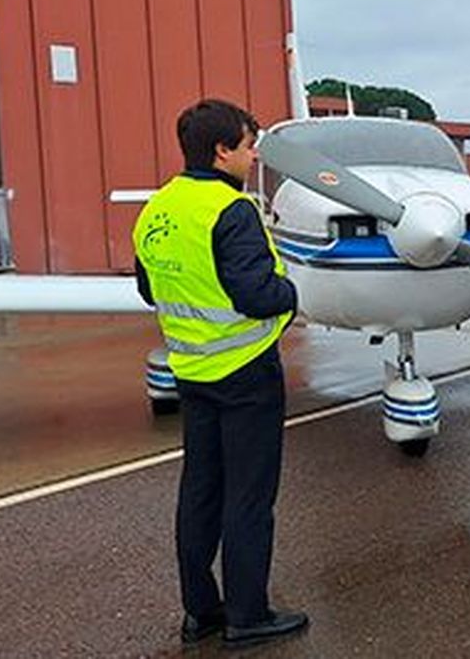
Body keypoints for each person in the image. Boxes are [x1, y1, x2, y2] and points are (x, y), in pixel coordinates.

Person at [132, 100, 308, 649]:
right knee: (250, 498)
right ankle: (249, 615)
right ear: (221, 151)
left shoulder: (157, 209)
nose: (254, 156)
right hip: (245, 373)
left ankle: (200, 610)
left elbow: (147, 288)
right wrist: (292, 292)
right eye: (248, 145)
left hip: (191, 371)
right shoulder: (233, 211)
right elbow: (257, 295)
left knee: (201, 490)